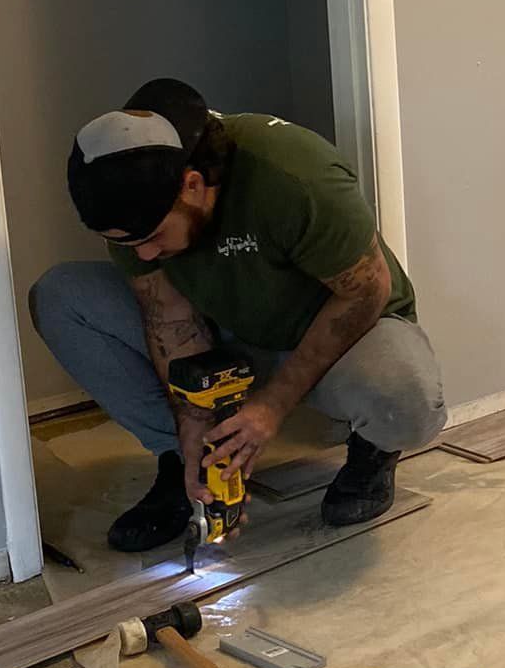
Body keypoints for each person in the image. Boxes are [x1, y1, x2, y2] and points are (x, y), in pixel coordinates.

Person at [32, 77, 447, 551]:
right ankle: (179, 465)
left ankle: (373, 451)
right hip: (227, 329)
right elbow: (168, 318)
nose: (143, 255)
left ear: (191, 185)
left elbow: (366, 292)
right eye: (128, 244)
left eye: (150, 238)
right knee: (61, 296)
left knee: (405, 399)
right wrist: (194, 433)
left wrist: (271, 405)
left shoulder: (292, 173)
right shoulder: (133, 207)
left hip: (330, 333)